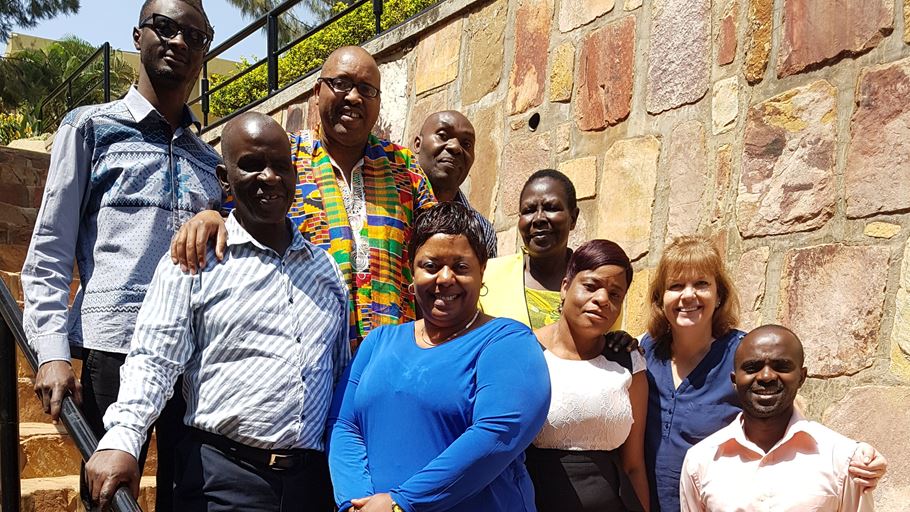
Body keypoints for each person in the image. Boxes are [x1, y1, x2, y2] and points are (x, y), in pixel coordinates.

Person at [84, 112, 349, 511]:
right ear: (224, 178)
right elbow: (154, 358)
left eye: (280, 166)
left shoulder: (325, 270)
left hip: (310, 485)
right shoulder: (195, 260)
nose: (269, 177)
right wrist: (123, 437)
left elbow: (338, 373)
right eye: (252, 165)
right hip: (222, 481)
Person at [20, 0, 220, 508]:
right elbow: (50, 248)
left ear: (205, 50)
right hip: (113, 349)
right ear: (138, 35)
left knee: (188, 499)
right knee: (108, 496)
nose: (177, 41)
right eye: (165, 27)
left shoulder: (209, 159)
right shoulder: (90, 129)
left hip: (194, 361)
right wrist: (52, 350)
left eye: (193, 35)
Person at [171, 45, 435, 348]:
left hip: (392, 357)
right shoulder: (285, 162)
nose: (353, 97)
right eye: (341, 84)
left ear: (378, 102)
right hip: (308, 358)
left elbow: (438, 243)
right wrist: (210, 216)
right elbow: (234, 214)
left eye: (366, 89)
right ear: (317, 91)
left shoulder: (404, 168)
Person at [327, 201, 550, 512]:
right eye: (431, 266)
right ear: (412, 271)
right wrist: (354, 502)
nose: (445, 278)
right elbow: (344, 424)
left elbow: (498, 432)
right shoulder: (379, 341)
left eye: (460, 267)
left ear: (482, 271)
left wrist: (401, 503)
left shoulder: (507, 342)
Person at [641, 236, 887, 511]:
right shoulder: (641, 353)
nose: (689, 295)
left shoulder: (747, 358)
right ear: (660, 298)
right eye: (676, 286)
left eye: (701, 284)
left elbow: (793, 424)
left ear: (719, 294)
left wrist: (858, 458)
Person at [680, 325, 878, 511]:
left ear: (802, 377)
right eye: (752, 367)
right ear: (734, 380)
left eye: (781, 366)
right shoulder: (701, 461)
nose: (766, 376)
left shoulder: (844, 460)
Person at [528, 239, 649, 511]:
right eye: (591, 286)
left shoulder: (629, 360)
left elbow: (633, 466)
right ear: (565, 287)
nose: (602, 300)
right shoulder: (526, 352)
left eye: (615, 294)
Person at [481, 169, 580, 329]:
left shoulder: (593, 282)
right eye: (528, 211)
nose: (539, 218)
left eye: (551, 207)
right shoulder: (486, 276)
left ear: (573, 218)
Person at [413, 110, 497, 258]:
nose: (455, 147)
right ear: (418, 144)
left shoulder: (482, 230)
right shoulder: (388, 201)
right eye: (443, 136)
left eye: (466, 143)